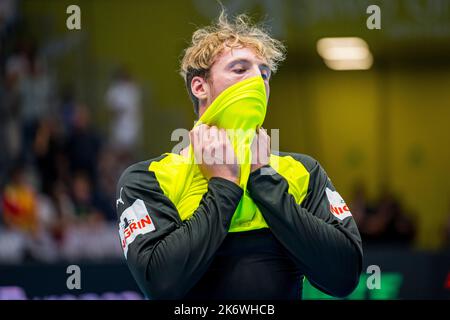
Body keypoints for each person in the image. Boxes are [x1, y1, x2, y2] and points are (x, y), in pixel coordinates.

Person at [116, 12, 363, 300]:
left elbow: (344, 276)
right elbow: (161, 285)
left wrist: (263, 180)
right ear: (200, 86)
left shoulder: (302, 172)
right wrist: (224, 186)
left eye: (265, 73)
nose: (258, 80)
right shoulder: (149, 178)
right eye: (239, 69)